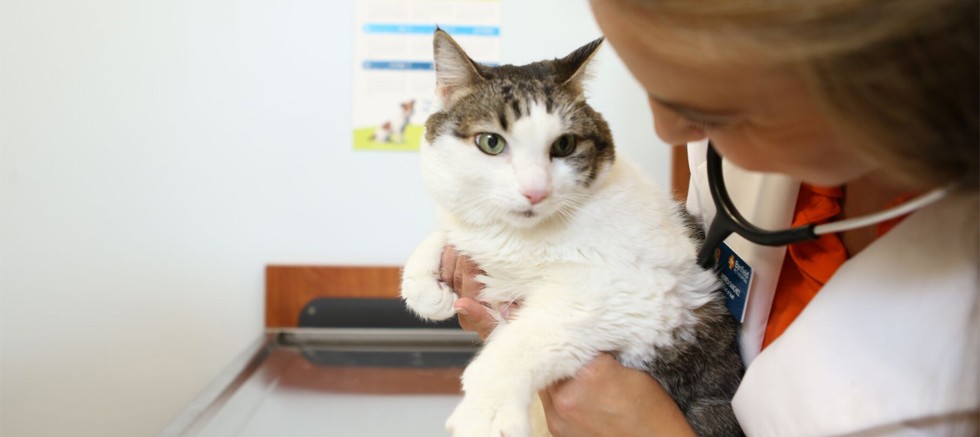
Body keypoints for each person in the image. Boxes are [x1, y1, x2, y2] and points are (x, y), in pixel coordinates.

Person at [443, 0, 979, 435]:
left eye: (711, 110)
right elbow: (663, 298)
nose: (668, 132)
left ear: (872, 81)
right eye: (654, 89)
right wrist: (526, 326)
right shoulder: (732, 161)